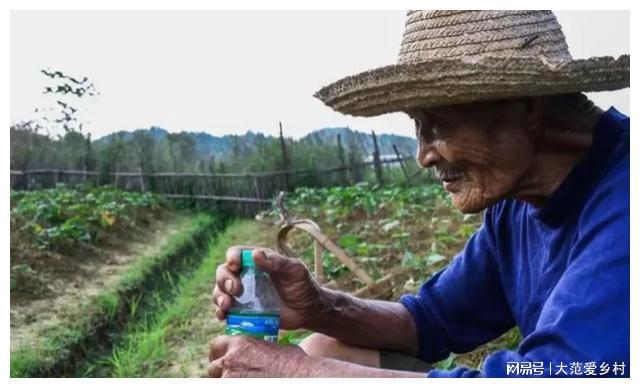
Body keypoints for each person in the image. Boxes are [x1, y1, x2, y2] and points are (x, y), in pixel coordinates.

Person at [208, 10, 630, 377]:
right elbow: (429, 319)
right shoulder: (519, 205)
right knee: (325, 348)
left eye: (437, 123)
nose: (423, 154)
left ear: (526, 105)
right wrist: (318, 306)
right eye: (418, 125)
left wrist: (292, 370)